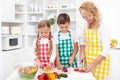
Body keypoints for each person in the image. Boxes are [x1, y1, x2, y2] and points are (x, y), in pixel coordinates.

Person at [79, 1, 110, 80]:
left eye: (88, 16)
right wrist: (82, 53)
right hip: (88, 59)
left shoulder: (102, 26)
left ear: (94, 13)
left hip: (100, 62)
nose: (86, 19)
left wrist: (92, 65)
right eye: (83, 17)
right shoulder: (84, 24)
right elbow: (82, 41)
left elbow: (106, 50)